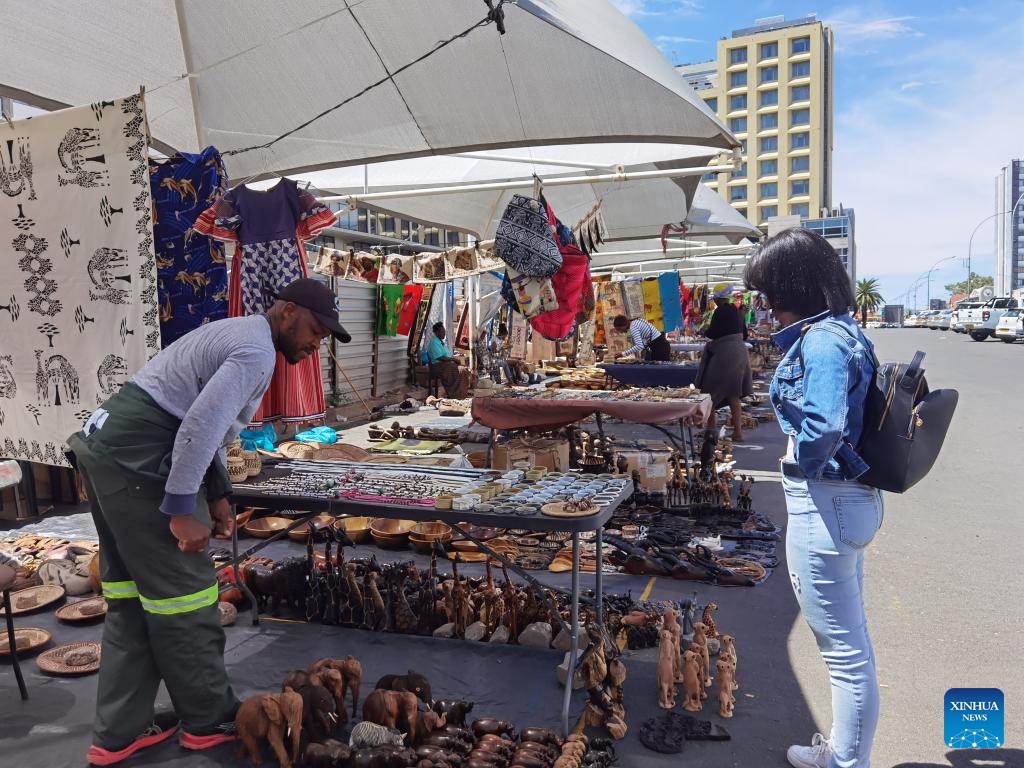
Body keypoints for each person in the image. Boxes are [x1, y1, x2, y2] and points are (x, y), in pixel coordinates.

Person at [65, 278, 351, 766]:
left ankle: (120, 733)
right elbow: (196, 427)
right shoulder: (257, 351)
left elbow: (209, 422)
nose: (314, 344)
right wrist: (180, 509)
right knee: (187, 595)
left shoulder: (240, 333)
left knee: (132, 598)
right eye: (316, 332)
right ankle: (208, 720)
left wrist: (217, 495)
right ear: (287, 312)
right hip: (140, 459)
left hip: (106, 446)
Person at [744, 229, 884, 768]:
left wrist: (795, 467)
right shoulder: (841, 331)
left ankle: (848, 762)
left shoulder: (823, 340)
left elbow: (824, 426)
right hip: (849, 500)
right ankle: (844, 754)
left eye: (768, 290)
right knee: (852, 644)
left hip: (826, 501)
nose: (766, 304)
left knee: (845, 654)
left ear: (791, 284)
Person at [694, 285, 753, 441]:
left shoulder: (720, 311)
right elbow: (745, 335)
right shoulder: (739, 312)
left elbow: (713, 333)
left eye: (714, 298)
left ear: (719, 298)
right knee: (734, 393)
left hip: (725, 353)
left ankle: (711, 430)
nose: (713, 300)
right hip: (740, 352)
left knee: (710, 392)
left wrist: (704, 330)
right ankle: (738, 432)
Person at [426, 322, 473, 398]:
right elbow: (440, 357)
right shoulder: (434, 342)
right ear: (437, 333)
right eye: (442, 332)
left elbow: (448, 356)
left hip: (446, 365)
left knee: (463, 370)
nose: (444, 333)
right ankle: (454, 394)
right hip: (437, 367)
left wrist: (454, 359)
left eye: (444, 331)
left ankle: (462, 393)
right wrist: (453, 359)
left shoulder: (442, 343)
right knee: (453, 368)